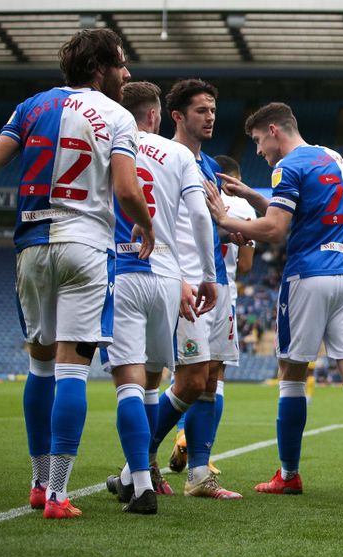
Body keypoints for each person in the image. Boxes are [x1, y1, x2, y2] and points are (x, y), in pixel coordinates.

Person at [0, 29, 154, 519]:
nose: (128, 74)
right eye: (121, 65)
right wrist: (145, 225)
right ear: (100, 68)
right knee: (72, 369)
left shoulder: (31, 107)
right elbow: (124, 189)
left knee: (39, 366)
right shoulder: (118, 116)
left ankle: (38, 484)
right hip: (85, 247)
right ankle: (58, 494)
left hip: (32, 245)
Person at [205, 102, 343, 503]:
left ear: (273, 130)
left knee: (292, 371)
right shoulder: (333, 156)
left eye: (257, 141)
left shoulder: (287, 167)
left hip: (309, 274)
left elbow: (273, 228)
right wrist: (253, 195)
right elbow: (308, 206)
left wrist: (225, 219)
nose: (257, 151)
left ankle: (288, 474)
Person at [100, 81, 218, 514]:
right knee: (153, 382)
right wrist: (207, 275)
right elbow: (201, 218)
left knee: (129, 384)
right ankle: (137, 477)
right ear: (154, 116)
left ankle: (141, 485)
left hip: (124, 271)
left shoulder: (110, 144)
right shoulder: (180, 155)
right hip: (169, 277)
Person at [146, 78, 241, 500]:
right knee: (189, 380)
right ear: (177, 116)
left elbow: (205, 224)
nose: (210, 118)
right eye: (201, 110)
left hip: (215, 281)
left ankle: (199, 475)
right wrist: (179, 274)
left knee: (210, 379)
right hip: (182, 279)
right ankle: (136, 461)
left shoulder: (206, 167)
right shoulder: (165, 157)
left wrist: (230, 231)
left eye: (214, 110)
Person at [168, 155, 256, 475]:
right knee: (213, 379)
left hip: (186, 286)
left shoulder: (193, 193)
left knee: (183, 372)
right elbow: (245, 266)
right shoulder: (245, 210)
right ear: (234, 178)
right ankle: (201, 456)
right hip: (221, 292)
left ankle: (177, 435)